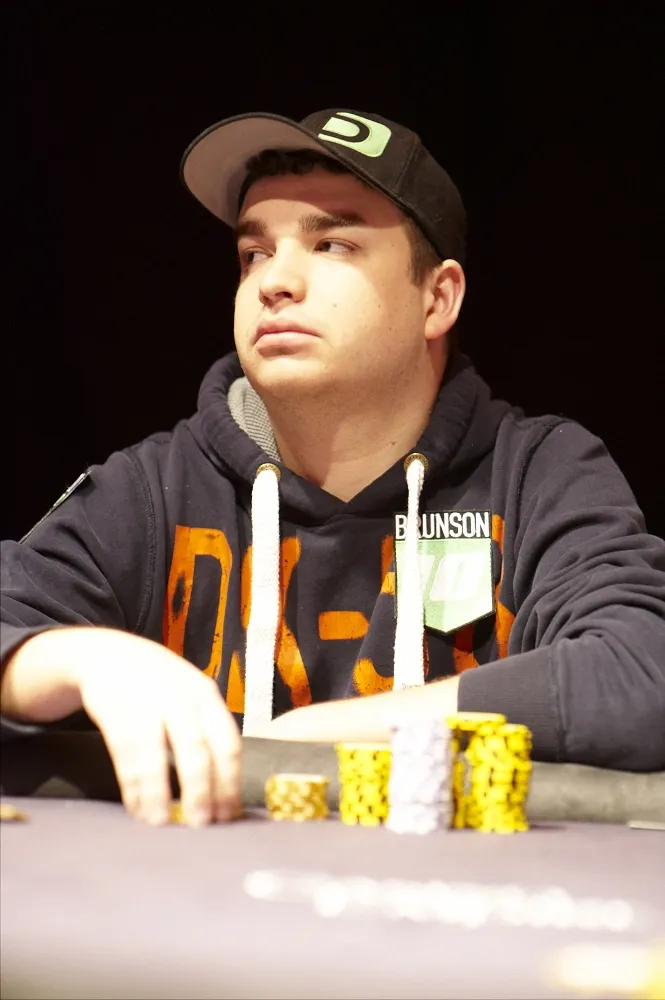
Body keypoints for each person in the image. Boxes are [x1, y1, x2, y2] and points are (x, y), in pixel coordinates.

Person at [2, 108, 664, 828]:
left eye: (333, 244)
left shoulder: (536, 472)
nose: (275, 281)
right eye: (254, 253)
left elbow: (642, 672)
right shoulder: (154, 489)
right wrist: (79, 658)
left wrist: (306, 739)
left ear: (437, 298)